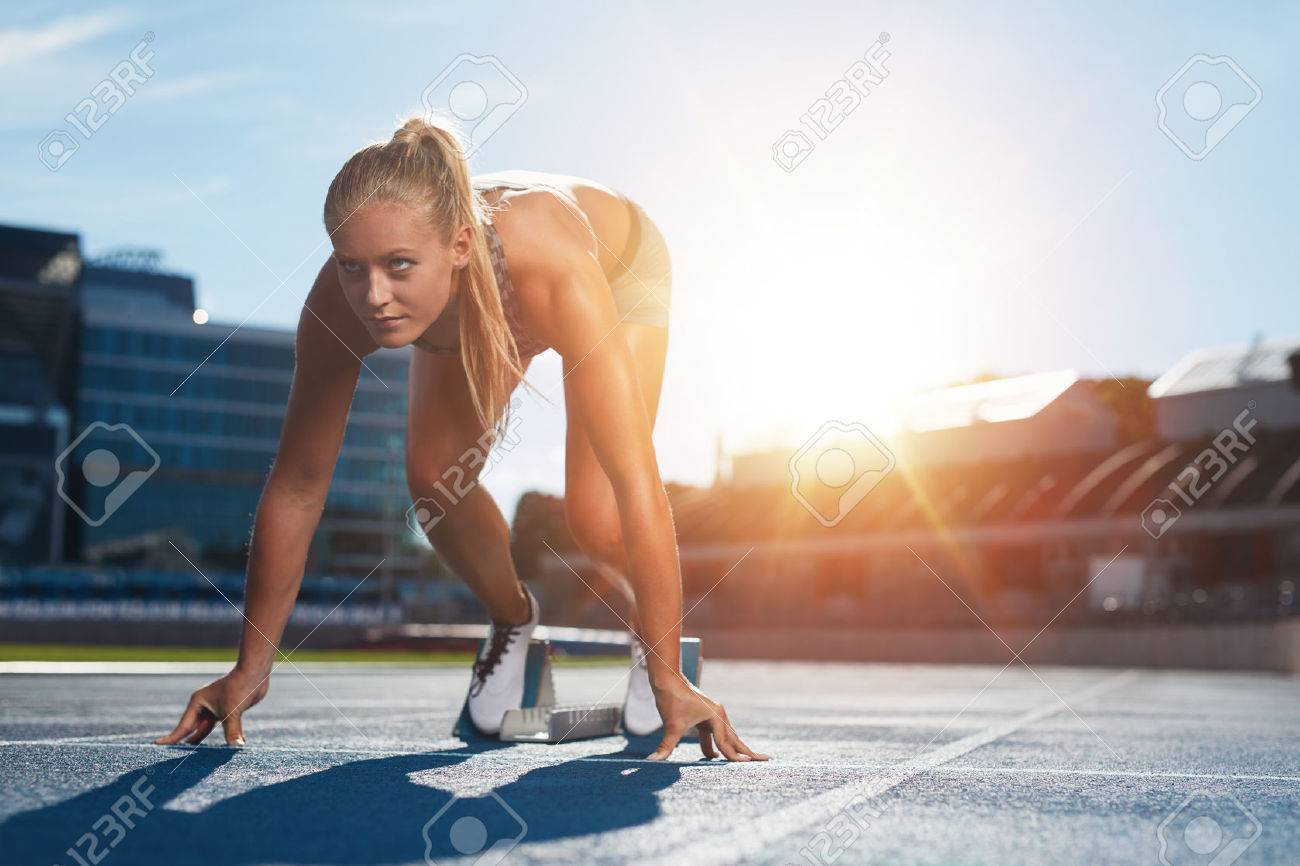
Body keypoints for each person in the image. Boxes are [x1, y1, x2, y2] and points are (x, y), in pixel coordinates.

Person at [155, 114, 768, 762]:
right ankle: (513, 621)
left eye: (397, 266)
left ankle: (658, 647)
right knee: (433, 481)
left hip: (618, 271)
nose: (374, 297)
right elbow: (300, 484)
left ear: (458, 247)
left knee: (595, 515)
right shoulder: (343, 304)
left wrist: (668, 674)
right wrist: (251, 666)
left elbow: (636, 479)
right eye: (351, 266)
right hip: (473, 303)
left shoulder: (552, 269)